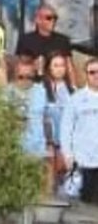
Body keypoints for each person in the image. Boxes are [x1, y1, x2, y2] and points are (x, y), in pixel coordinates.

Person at [60, 58, 98, 205]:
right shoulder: (76, 99)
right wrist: (68, 154)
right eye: (92, 72)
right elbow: (66, 128)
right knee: (85, 206)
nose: (96, 75)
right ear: (86, 75)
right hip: (83, 162)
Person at [7, 60, 50, 175]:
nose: (25, 80)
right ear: (15, 76)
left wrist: (49, 145)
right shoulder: (7, 92)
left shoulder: (41, 91)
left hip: (37, 149)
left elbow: (46, 119)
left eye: (29, 77)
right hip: (14, 149)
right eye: (21, 77)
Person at [44, 51, 76, 195]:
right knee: (48, 184)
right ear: (49, 68)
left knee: (65, 185)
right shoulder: (41, 89)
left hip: (67, 145)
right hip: (47, 143)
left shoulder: (72, 90)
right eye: (55, 65)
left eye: (62, 65)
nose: (59, 69)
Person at [16, 5, 75, 81]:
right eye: (49, 18)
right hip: (34, 82)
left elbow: (69, 67)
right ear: (38, 20)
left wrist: (74, 87)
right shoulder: (26, 39)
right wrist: (33, 66)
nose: (53, 21)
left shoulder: (63, 40)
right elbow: (20, 66)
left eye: (55, 18)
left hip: (58, 83)